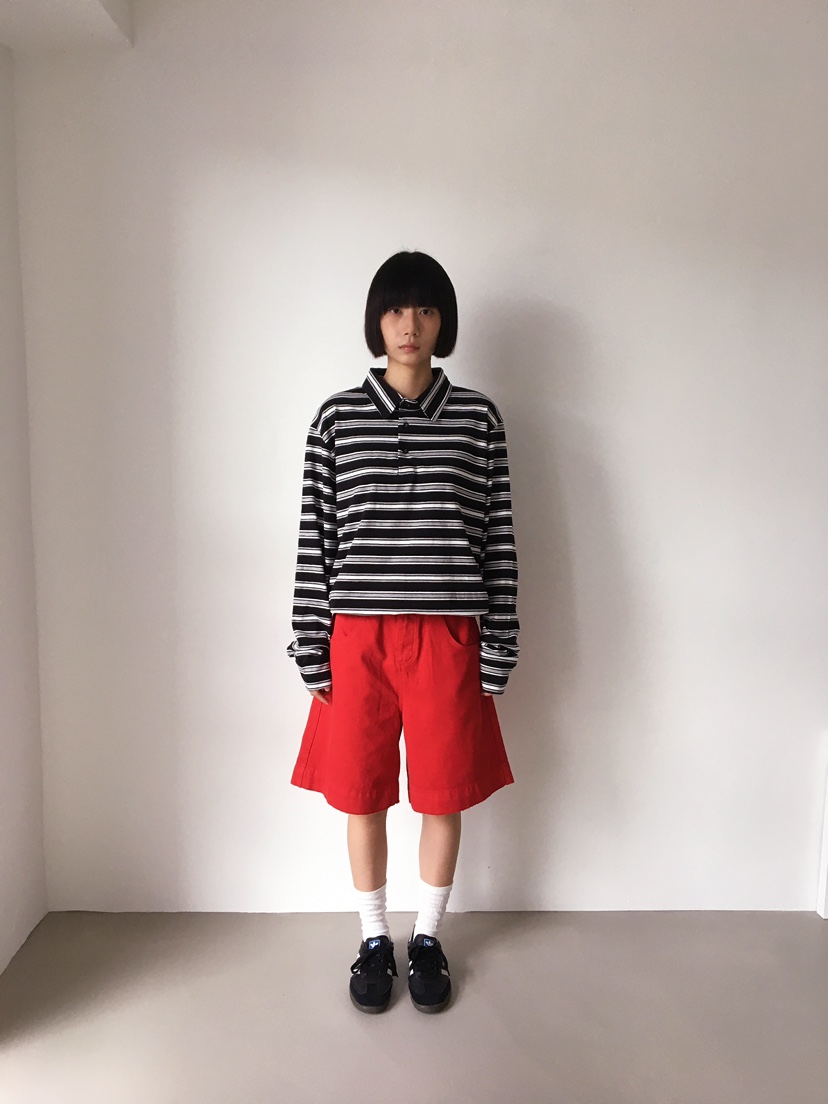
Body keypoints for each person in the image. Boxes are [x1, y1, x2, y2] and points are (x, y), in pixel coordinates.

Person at [286, 250, 520, 1014]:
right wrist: (310, 640)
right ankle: (372, 939)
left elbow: (497, 538)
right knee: (363, 794)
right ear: (376, 320)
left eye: (424, 308)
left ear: (443, 320)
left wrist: (500, 642)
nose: (409, 324)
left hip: (448, 633)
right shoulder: (337, 419)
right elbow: (316, 538)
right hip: (358, 636)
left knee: (442, 793)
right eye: (395, 309)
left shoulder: (478, 420)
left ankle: (426, 937)